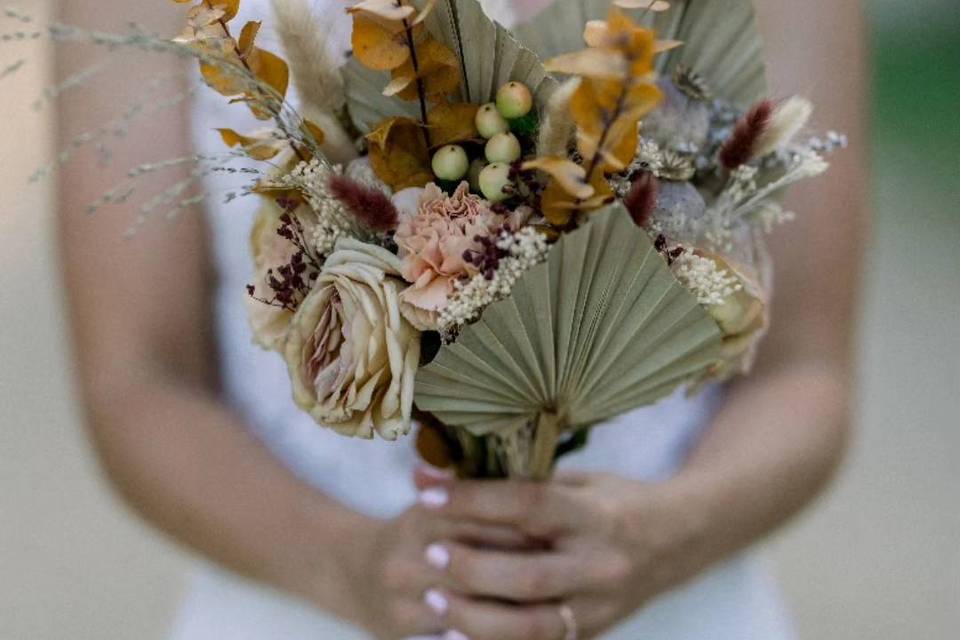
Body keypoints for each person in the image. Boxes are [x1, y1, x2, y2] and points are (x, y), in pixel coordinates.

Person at [58, 0, 867, 638]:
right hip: (299, 606)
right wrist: (349, 563)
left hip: (671, 611)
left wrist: (666, 534)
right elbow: (137, 381)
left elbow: (807, 371)